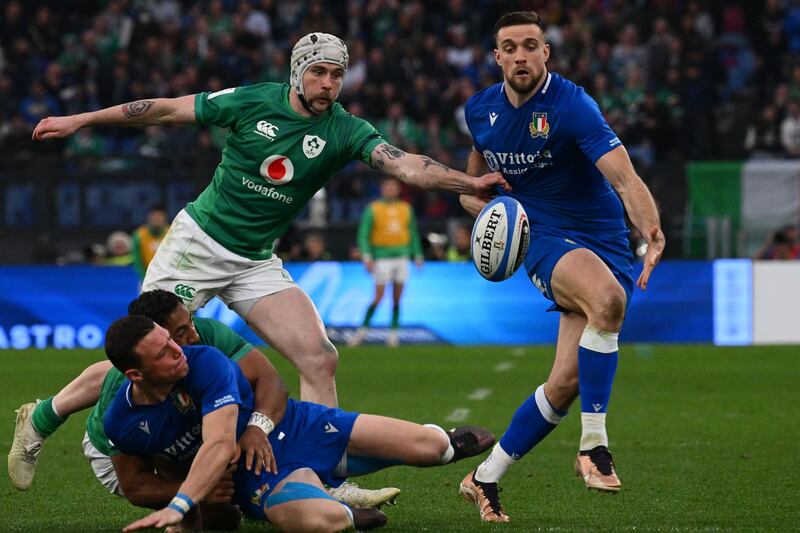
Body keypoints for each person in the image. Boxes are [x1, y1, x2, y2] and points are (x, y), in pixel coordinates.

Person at [32, 32, 509, 409]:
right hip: (197, 245)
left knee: (320, 359)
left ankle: (321, 480)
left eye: (337, 75)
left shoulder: (345, 128)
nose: (329, 83)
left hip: (255, 261)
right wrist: (83, 119)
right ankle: (44, 413)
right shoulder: (253, 100)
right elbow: (165, 110)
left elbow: (404, 164)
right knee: (141, 355)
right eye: (319, 72)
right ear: (298, 73)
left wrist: (472, 185)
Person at [456, 12, 665, 522]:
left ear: (545, 53)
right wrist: (490, 214)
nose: (521, 55)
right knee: (608, 301)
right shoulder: (479, 111)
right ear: (497, 56)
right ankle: (593, 446)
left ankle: (483, 478)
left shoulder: (573, 105)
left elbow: (624, 177)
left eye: (531, 45)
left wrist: (652, 231)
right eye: (510, 47)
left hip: (605, 240)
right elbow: (471, 188)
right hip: (542, 236)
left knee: (566, 382)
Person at [102, 315, 495, 532]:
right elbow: (136, 485)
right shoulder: (120, 422)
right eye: (165, 350)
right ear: (136, 375)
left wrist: (182, 502)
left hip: (296, 427)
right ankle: (340, 511)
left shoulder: (205, 361)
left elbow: (221, 442)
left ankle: (441, 442)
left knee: (430, 449)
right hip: (256, 475)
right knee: (321, 523)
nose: (179, 349)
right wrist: (201, 494)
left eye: (175, 339)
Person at [8, 290, 397, 508]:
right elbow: (136, 485)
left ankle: (322, 485)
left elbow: (271, 382)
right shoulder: (120, 403)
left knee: (229, 472)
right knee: (213, 501)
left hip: (188, 426)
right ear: (158, 338)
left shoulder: (203, 335)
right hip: (126, 451)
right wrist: (192, 493)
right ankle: (41, 419)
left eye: (190, 325)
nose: (192, 337)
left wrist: (258, 430)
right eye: (179, 332)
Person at [350, 177, 424, 347]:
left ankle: (393, 334)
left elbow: (412, 232)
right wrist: (367, 256)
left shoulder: (406, 208)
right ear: (382, 189)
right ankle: (362, 332)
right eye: (388, 187)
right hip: (381, 258)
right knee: (378, 297)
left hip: (402, 257)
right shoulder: (373, 209)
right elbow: (363, 234)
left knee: (397, 298)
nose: (391, 190)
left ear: (398, 190)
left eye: (394, 187)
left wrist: (418, 255)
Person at [131, 205, 170, 280]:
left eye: (160, 215)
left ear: (165, 217)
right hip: (146, 278)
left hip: (167, 278)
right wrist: (144, 279)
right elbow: (138, 261)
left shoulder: (172, 233)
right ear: (149, 217)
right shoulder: (139, 235)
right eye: (154, 216)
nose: (157, 218)